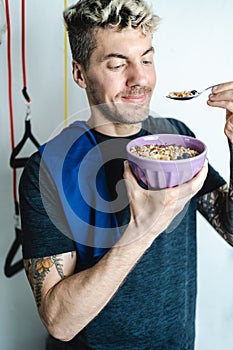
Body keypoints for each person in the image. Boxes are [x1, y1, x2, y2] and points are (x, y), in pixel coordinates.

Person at [19, 0, 233, 349]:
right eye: (118, 64)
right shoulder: (46, 169)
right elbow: (59, 322)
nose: (140, 78)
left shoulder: (176, 140)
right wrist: (142, 230)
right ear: (80, 73)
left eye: (147, 59)